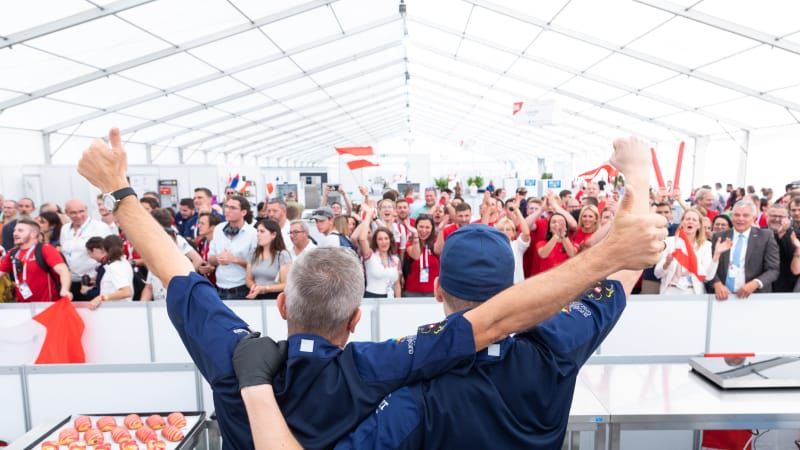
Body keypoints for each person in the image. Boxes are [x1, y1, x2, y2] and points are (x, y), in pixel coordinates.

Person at [77, 129, 666, 450]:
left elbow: (173, 268)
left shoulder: (403, 385)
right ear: (357, 318)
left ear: (283, 302)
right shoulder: (402, 367)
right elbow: (599, 282)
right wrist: (634, 187)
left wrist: (122, 191)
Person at [241, 135, 662, 450]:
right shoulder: (557, 345)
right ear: (513, 289)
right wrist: (638, 176)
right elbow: (628, 264)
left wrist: (256, 386)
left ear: (438, 290)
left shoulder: (415, 387)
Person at [709, 201, 780, 300]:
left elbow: (773, 269)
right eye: (737, 215)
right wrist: (716, 283)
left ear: (753, 218)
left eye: (745, 215)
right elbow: (710, 265)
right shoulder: (719, 237)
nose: (740, 219)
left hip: (754, 297)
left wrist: (755, 283)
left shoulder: (765, 236)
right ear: (731, 216)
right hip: (723, 297)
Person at [654, 209, 728, 295]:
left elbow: (708, 277)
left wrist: (716, 256)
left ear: (699, 225)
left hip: (694, 293)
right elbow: (657, 274)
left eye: (694, 220)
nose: (690, 222)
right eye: (688, 219)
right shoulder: (668, 242)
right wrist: (667, 263)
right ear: (682, 223)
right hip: (670, 291)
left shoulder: (706, 246)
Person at [0, 219, 72, 302]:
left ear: (33, 234)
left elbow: (63, 271)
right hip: (22, 307)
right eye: (15, 230)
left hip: (46, 306)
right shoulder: (13, 253)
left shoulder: (46, 249)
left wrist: (65, 289)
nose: (15, 233)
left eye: (20, 230)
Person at [60, 199, 114, 300]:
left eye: (81, 211)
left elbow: (111, 252)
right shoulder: (65, 229)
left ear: (86, 210)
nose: (78, 215)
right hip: (73, 280)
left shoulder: (100, 227)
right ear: (66, 213)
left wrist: (99, 277)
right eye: (73, 213)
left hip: (93, 280)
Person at [209, 195, 257, 299]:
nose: (227, 210)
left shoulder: (252, 233)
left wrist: (234, 259)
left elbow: (255, 266)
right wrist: (218, 259)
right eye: (226, 206)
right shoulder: (218, 229)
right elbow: (210, 258)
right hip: (219, 288)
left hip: (242, 288)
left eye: (233, 208)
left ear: (243, 212)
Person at [354, 204, 401, 298]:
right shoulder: (370, 255)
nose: (384, 242)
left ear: (390, 240)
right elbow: (362, 239)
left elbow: (397, 284)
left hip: (390, 299)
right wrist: (368, 215)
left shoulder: (395, 259)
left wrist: (398, 302)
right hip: (372, 297)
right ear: (375, 241)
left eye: (386, 238)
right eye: (380, 239)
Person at [245, 220, 291, 300]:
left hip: (274, 298)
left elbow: (285, 284)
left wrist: (264, 288)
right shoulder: (253, 253)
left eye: (262, 231)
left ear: (273, 235)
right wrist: (254, 287)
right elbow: (248, 279)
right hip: (255, 295)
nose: (258, 234)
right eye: (257, 231)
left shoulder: (282, 255)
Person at [88, 235, 133, 310]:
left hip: (115, 310)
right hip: (119, 309)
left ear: (103, 249)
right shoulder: (123, 263)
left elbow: (126, 292)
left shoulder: (115, 266)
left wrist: (101, 298)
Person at [495, 202, 531, 283]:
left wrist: (517, 211)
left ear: (513, 233)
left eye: (508, 229)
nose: (504, 232)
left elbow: (526, 233)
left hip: (517, 286)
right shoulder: (493, 246)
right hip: (498, 286)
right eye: (501, 229)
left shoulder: (517, 245)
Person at [403, 214, 437, 297]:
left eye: (427, 227)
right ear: (416, 227)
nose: (424, 230)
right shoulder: (410, 242)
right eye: (421, 227)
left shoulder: (436, 242)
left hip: (433, 291)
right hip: (412, 291)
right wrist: (415, 236)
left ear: (432, 228)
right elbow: (416, 256)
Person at [195, 212, 221, 287]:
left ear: (212, 227)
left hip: (219, 286)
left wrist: (214, 268)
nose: (199, 226)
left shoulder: (220, 243)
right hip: (207, 285)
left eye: (202, 223)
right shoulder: (201, 242)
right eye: (199, 223)